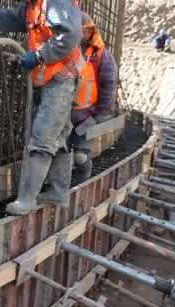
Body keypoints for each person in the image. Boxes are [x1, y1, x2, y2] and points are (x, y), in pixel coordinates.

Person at [0, 0, 83, 215]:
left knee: (42, 137)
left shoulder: (55, 2)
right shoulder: (32, 7)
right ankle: (58, 193)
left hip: (62, 78)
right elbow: (8, 18)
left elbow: (70, 36)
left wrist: (38, 57)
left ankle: (27, 200)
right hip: (50, 79)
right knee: (58, 137)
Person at [70, 12, 118, 183]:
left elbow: (109, 82)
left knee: (80, 156)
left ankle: (82, 180)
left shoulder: (101, 55)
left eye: (84, 31)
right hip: (62, 112)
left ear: (90, 32)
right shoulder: (64, 50)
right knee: (57, 153)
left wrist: (104, 110)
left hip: (86, 115)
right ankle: (58, 186)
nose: (81, 34)